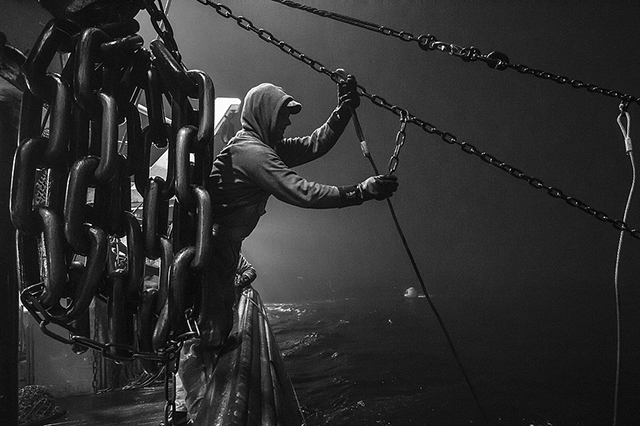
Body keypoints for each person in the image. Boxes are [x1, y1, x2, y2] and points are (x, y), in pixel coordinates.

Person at [167, 253, 257, 426]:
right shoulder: (180, 255)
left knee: (195, 370)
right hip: (189, 322)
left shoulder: (225, 252)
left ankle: (193, 416)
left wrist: (236, 285)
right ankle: (184, 414)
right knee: (186, 368)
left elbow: (249, 271)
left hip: (209, 323)